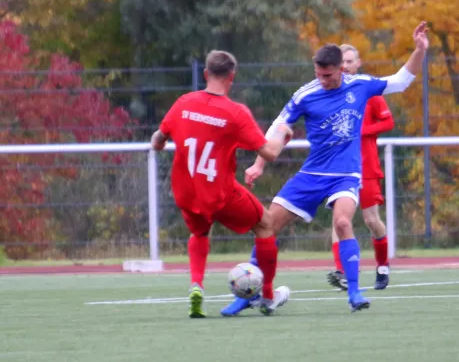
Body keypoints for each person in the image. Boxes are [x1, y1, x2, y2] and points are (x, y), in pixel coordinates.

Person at [221, 21, 429, 316]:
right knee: (266, 225)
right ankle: (250, 294)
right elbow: (279, 128)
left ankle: (355, 292)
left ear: (341, 70)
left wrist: (419, 50)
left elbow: (401, 80)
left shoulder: (360, 85)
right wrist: (258, 163)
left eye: (327, 75)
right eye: (317, 74)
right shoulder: (306, 94)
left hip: (346, 174)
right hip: (312, 174)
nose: (322, 80)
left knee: (343, 223)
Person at [150, 50, 292, 318]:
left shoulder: (183, 103)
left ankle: (196, 285)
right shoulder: (235, 113)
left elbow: (158, 140)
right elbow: (269, 153)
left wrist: (159, 143)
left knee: (200, 234)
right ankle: (269, 295)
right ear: (232, 77)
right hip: (220, 194)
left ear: (206, 74)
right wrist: (283, 133)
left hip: (187, 193)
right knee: (266, 224)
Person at [327, 44, 395, 292]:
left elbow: (388, 122)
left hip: (366, 166)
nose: (345, 66)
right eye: (341, 62)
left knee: (371, 220)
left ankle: (382, 265)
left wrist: (362, 131)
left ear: (358, 63)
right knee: (339, 219)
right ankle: (341, 272)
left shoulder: (370, 91)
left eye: (349, 61)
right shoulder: (331, 92)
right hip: (340, 167)